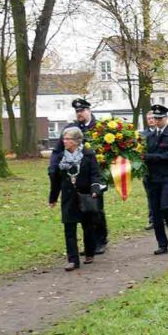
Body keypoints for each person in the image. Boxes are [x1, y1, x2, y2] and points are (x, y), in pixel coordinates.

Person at [49, 98, 109, 254]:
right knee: (80, 212)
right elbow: (58, 150)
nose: (79, 114)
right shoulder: (71, 129)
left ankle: (100, 241)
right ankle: (89, 245)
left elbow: (110, 148)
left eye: (82, 111)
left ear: (89, 110)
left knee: (96, 209)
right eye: (77, 112)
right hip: (75, 176)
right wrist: (53, 167)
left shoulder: (101, 128)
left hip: (95, 174)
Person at [48, 127, 102, 271]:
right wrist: (53, 197)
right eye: (63, 139)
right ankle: (73, 260)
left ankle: (89, 252)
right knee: (69, 228)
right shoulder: (60, 157)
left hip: (85, 196)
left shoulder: (88, 155)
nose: (64, 141)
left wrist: (95, 189)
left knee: (88, 227)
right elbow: (56, 180)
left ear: (77, 141)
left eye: (68, 139)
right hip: (68, 197)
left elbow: (95, 174)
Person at [144, 104, 168, 255]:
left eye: (160, 118)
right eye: (156, 118)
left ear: (166, 118)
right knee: (155, 211)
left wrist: (150, 157)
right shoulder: (150, 136)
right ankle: (162, 243)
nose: (157, 121)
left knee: (165, 207)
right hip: (152, 178)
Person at [140, 110, 157, 230]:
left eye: (153, 118)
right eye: (149, 118)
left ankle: (162, 217)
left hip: (161, 169)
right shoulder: (142, 135)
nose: (151, 120)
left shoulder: (163, 133)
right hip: (148, 170)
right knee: (150, 196)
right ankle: (152, 219)